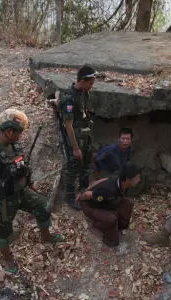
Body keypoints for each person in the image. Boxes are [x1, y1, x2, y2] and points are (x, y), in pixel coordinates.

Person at [0, 108, 64, 273]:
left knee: (43, 207)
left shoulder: (12, 145)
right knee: (4, 232)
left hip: (20, 191)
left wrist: (30, 183)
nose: (20, 137)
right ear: (8, 131)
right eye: (18, 133)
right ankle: (8, 259)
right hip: (1, 201)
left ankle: (46, 236)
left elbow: (21, 167)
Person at [58, 65, 97, 210]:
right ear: (82, 80)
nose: (92, 86)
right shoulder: (69, 98)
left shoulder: (83, 93)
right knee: (72, 168)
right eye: (90, 83)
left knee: (86, 165)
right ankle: (69, 196)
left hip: (85, 136)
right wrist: (75, 148)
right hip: (75, 140)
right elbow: (68, 126)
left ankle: (84, 191)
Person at [77, 162, 142, 247]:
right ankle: (97, 226)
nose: (139, 180)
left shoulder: (120, 180)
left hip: (106, 201)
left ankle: (120, 225)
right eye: (137, 178)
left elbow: (103, 180)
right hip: (90, 206)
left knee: (128, 203)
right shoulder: (108, 191)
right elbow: (88, 195)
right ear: (128, 179)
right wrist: (81, 197)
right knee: (111, 218)